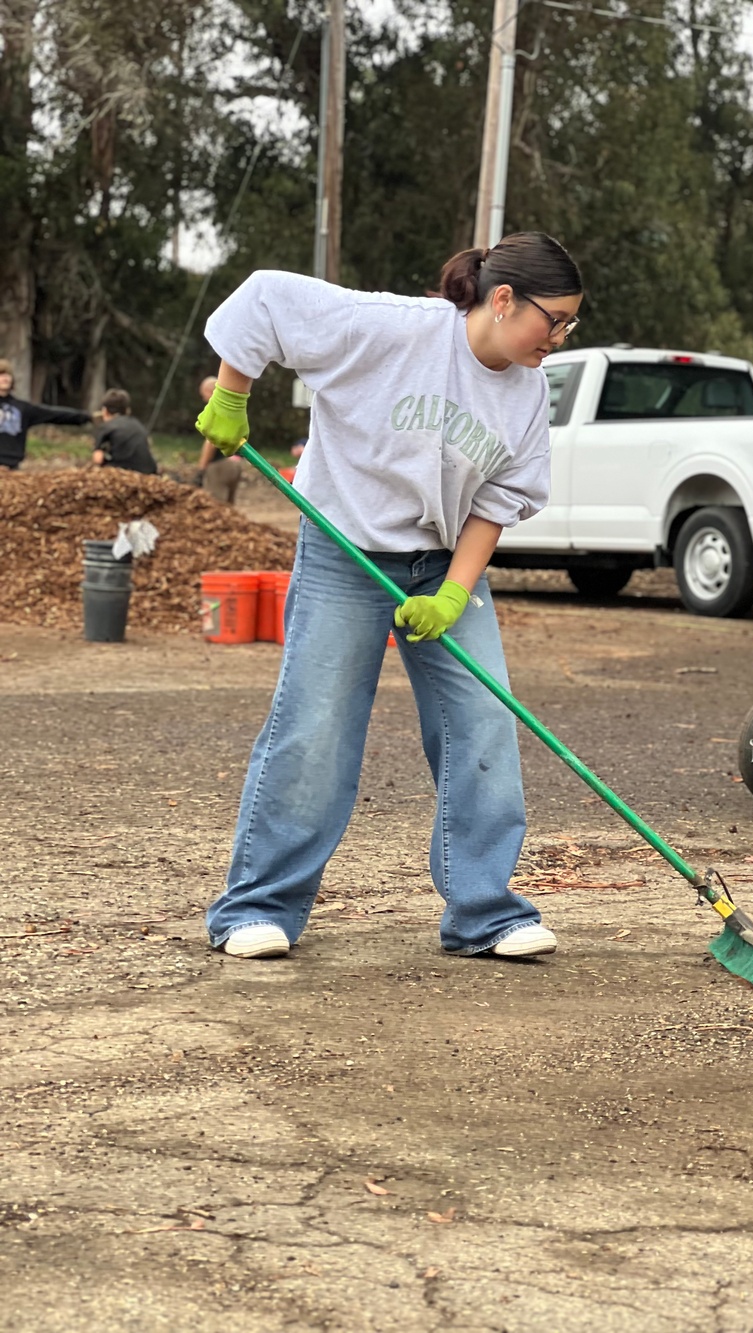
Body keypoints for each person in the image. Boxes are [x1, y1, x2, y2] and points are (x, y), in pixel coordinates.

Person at [196, 231, 583, 961]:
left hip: (442, 566)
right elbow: (264, 300)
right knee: (317, 725)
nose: (558, 338)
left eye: (570, 324)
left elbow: (494, 506)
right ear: (503, 300)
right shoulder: (392, 328)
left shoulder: (528, 394)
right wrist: (232, 391)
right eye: (552, 319)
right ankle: (256, 905)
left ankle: (485, 911)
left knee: (483, 720)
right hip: (344, 549)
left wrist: (451, 595)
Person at [0, 358, 94, 470]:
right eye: (1, 375)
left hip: (12, 465)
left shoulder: (23, 408)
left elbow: (53, 414)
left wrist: (86, 417)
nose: (5, 378)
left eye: (7, 375)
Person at [195, 375, 243, 502]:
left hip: (219, 465)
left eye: (203, 394)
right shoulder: (233, 406)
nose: (203, 398)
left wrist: (201, 470)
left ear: (210, 391)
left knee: (216, 507)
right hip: (236, 463)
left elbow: (210, 442)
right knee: (229, 509)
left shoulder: (216, 409)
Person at [92, 389, 159, 474]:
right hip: (149, 471)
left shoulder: (106, 427)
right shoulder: (137, 424)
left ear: (105, 411)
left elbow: (98, 459)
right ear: (127, 410)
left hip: (122, 472)